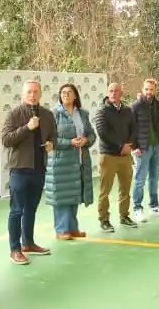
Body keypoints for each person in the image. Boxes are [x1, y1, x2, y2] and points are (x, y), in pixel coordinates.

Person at [0, 79, 56, 265]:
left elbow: (53, 136)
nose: (32, 95)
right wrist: (27, 128)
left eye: (35, 91)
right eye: (29, 92)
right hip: (20, 169)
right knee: (16, 210)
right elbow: (6, 140)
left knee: (31, 209)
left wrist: (51, 144)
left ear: (40, 93)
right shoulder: (14, 114)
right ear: (23, 94)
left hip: (39, 168)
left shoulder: (48, 115)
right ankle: (14, 249)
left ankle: (28, 243)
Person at [45, 83, 95, 240]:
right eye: (63, 92)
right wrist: (69, 143)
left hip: (80, 160)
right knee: (61, 197)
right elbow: (49, 139)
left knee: (74, 195)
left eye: (69, 92)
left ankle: (73, 229)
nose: (65, 95)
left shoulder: (83, 114)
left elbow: (92, 135)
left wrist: (86, 140)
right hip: (60, 162)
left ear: (75, 96)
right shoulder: (53, 114)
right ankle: (61, 230)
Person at [94, 82, 137, 233]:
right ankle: (104, 220)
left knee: (125, 188)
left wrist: (129, 145)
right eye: (111, 91)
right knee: (105, 190)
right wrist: (120, 146)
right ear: (107, 93)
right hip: (108, 156)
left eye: (116, 91)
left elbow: (133, 128)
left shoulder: (127, 110)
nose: (113, 93)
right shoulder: (101, 111)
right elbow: (103, 133)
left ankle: (124, 216)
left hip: (125, 156)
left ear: (121, 93)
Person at [130, 78, 159, 223]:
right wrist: (134, 147)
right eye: (146, 89)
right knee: (140, 179)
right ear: (143, 89)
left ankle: (154, 206)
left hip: (157, 147)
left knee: (154, 178)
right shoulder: (135, 106)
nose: (149, 92)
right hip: (142, 148)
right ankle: (137, 209)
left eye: (151, 89)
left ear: (155, 90)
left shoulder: (158, 105)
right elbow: (131, 128)